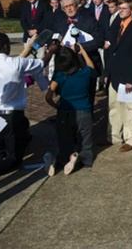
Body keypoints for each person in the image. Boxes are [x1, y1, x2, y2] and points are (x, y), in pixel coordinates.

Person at [0, 33, 54, 179]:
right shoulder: (17, 63)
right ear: (6, 47)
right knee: (13, 155)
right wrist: (51, 51)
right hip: (13, 115)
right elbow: (41, 63)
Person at [45, 44, 96, 175]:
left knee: (64, 140)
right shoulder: (84, 73)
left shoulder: (59, 76)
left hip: (65, 110)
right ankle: (82, 159)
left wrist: (56, 105)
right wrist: (83, 51)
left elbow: (48, 96)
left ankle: (60, 161)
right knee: (85, 140)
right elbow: (92, 67)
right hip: (83, 109)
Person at [106, 0, 132, 152]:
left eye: (124, 8)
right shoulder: (118, 25)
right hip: (115, 72)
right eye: (119, 8)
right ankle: (114, 136)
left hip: (129, 75)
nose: (120, 11)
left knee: (131, 108)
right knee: (114, 107)